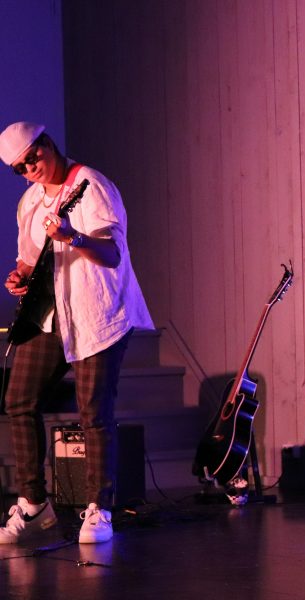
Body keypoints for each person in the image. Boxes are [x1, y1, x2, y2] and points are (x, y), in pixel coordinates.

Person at [0, 121, 154, 544]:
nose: (30, 168)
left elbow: (112, 253)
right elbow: (30, 260)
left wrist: (72, 236)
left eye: (32, 157)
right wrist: (19, 276)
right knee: (18, 400)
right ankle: (34, 504)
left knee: (94, 412)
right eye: (19, 168)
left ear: (47, 143)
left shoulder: (92, 186)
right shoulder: (30, 202)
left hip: (96, 314)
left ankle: (100, 509)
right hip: (52, 314)